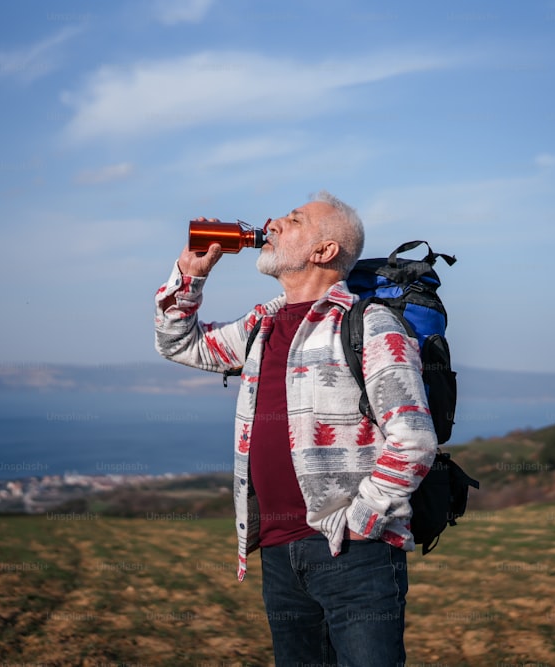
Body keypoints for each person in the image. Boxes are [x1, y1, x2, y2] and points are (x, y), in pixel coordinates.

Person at [153, 190, 438, 666]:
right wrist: (189, 279)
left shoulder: (370, 324)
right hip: (279, 556)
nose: (273, 223)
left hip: (355, 553)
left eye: (294, 220)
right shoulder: (260, 325)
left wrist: (359, 523)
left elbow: (413, 440)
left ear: (324, 252)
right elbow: (180, 343)